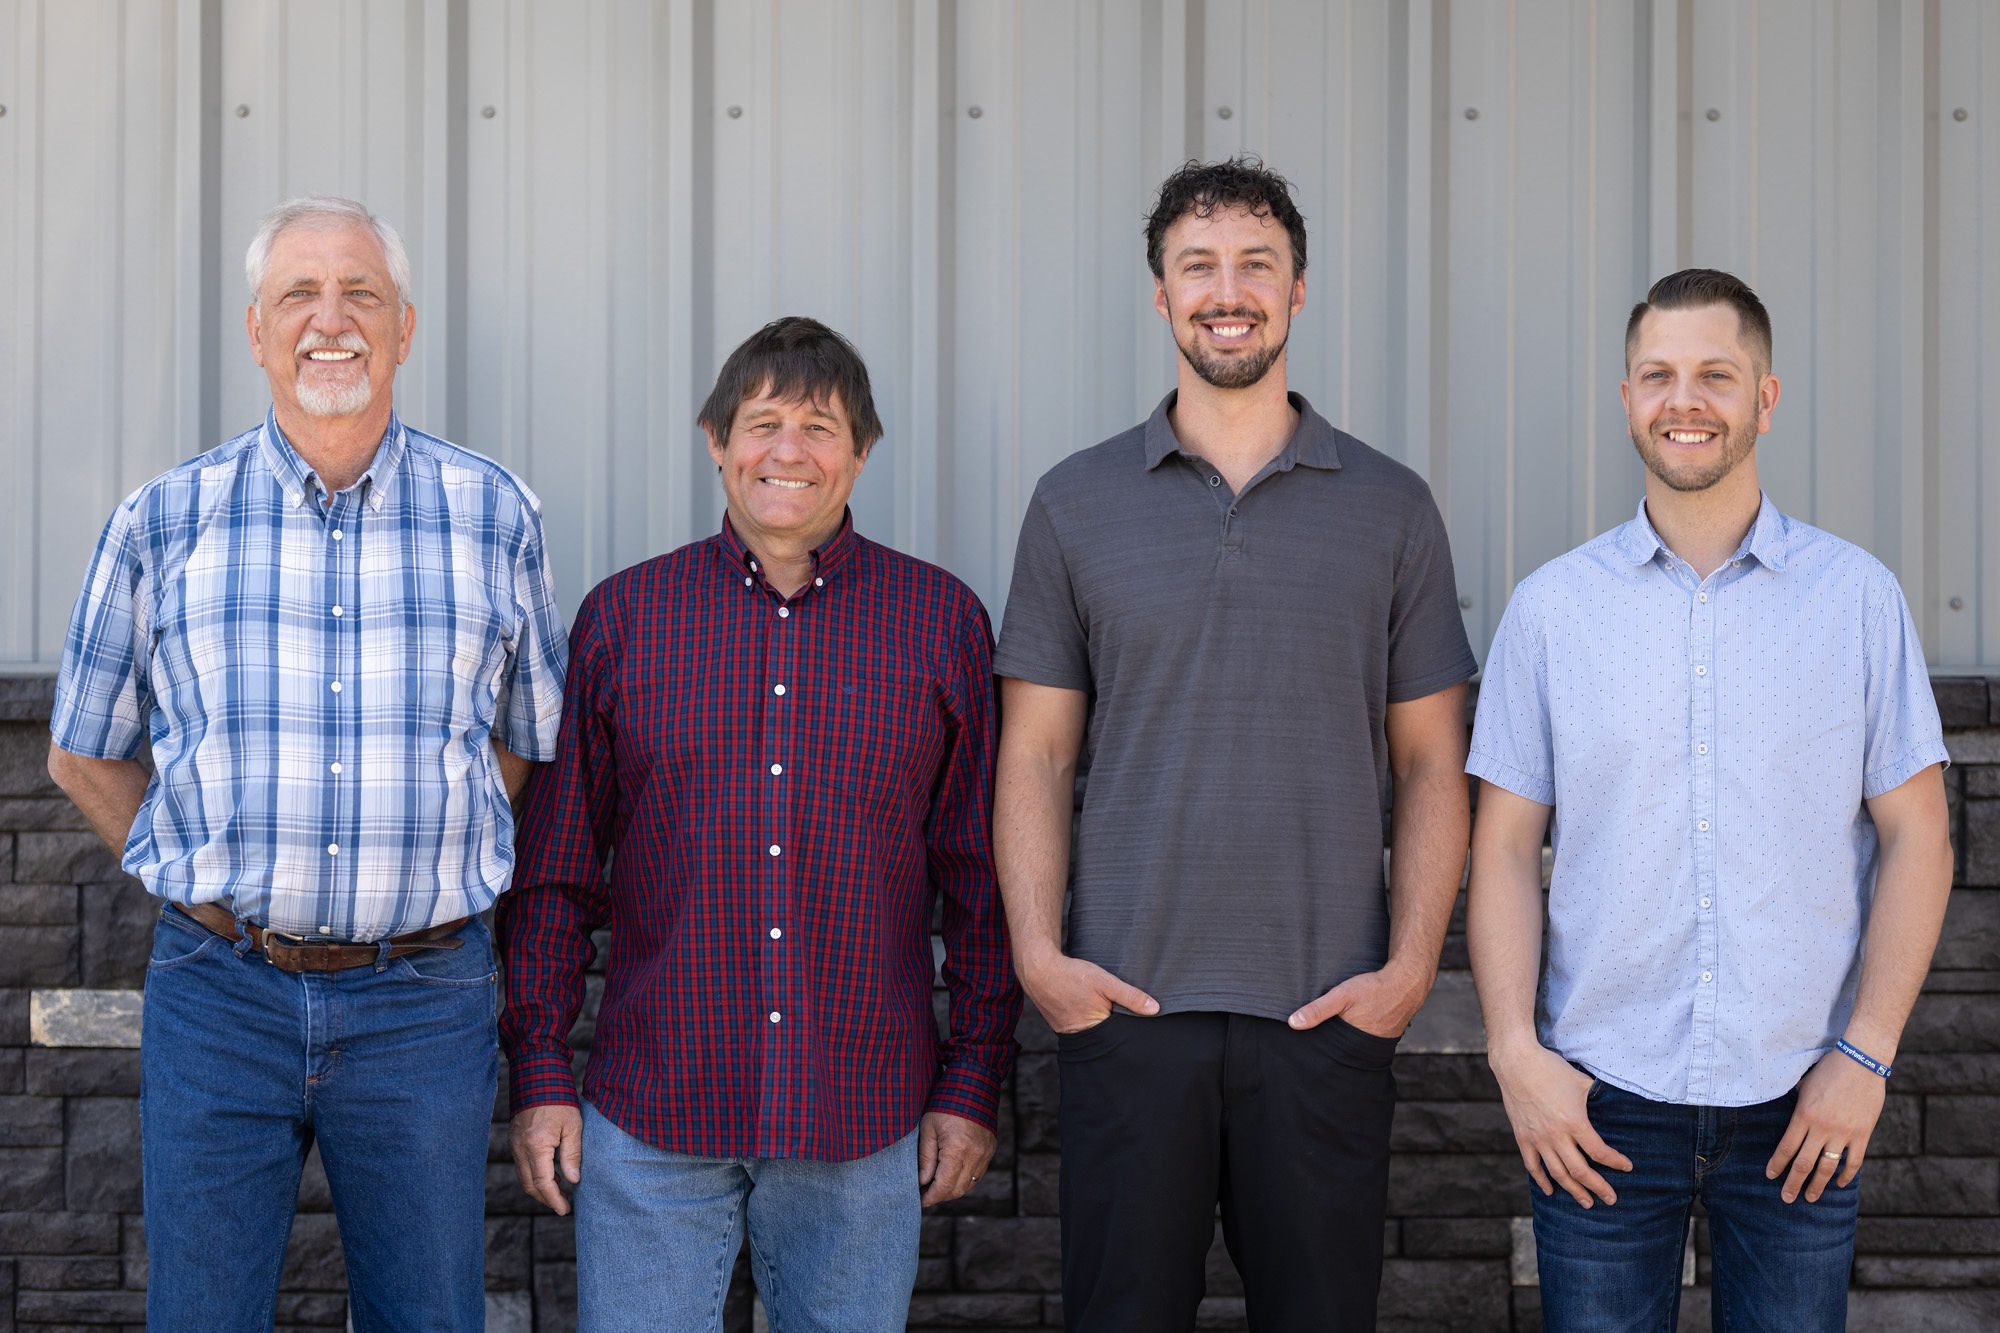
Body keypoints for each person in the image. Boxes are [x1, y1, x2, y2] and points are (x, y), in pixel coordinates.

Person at [46, 196, 568, 1330]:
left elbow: (527, 739)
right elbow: (81, 750)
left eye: (360, 294)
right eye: (299, 294)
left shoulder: (494, 513)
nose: (330, 320)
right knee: (202, 1316)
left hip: (424, 999)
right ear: (256, 330)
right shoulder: (162, 521)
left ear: (406, 327)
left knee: (428, 1315)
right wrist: (185, 867)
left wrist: (422, 852)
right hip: (219, 992)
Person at [993, 157, 1477, 1330]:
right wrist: (1038, 960)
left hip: (1325, 1015)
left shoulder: (1390, 506)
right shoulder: (1074, 501)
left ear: (1298, 290)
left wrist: (1409, 968)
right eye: (1196, 265)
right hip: (1123, 1014)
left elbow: (1429, 762)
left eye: (1255, 264)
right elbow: (1036, 756)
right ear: (1158, 296)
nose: (1228, 289)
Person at [499, 316, 1019, 1332]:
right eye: (763, 422)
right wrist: (540, 1069)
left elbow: (979, 879)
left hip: (860, 1115)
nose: (788, 451)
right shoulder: (623, 620)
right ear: (715, 440)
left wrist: (969, 1081)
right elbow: (555, 875)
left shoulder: (938, 622)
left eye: (819, 426)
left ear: (861, 451)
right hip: (654, 1113)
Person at [1465, 268, 1955, 1331]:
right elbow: (1501, 848)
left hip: (1802, 1099)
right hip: (1595, 1101)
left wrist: (1864, 1057)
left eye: (1712, 375)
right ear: (1626, 394)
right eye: (1657, 375)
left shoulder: (1854, 599)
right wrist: (1516, 1054)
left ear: (1763, 398)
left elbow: (1918, 834)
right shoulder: (1550, 610)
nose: (1682, 399)